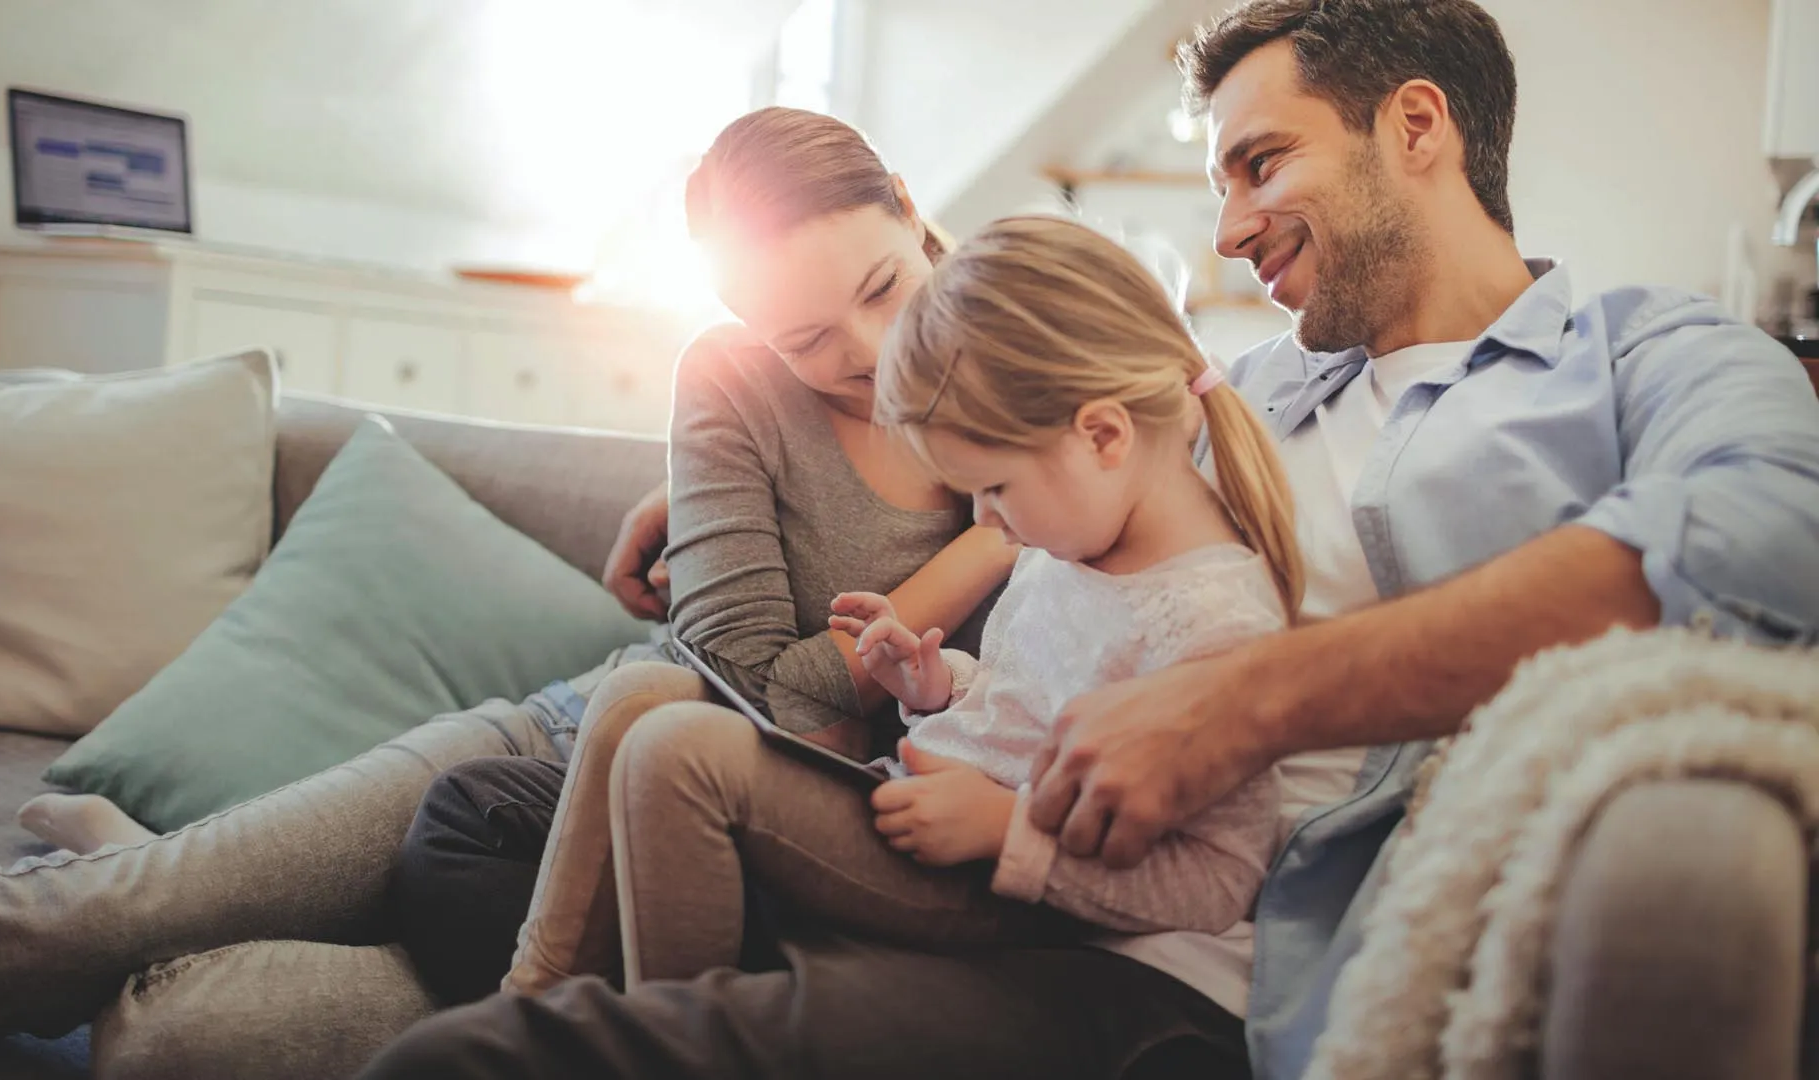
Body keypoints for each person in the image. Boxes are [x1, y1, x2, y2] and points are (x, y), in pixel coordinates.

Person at [358, 1, 1819, 1078]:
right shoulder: (1242, 392)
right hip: (987, 786)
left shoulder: (1643, 358)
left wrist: (1244, 701)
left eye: (1260, 165)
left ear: (1418, 127)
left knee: (483, 1052)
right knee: (476, 832)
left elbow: (1762, 541)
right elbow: (1027, 475)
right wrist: (720, 470)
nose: (1233, 229)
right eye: (1220, 188)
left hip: (1173, 946)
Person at [0, 107, 1013, 1077]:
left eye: (882, 288)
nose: (869, 352)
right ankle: (161, 871)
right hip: (552, 756)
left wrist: (989, 542)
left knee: (184, 1043)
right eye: (807, 338)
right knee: (121, 912)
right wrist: (976, 553)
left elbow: (824, 726)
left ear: (911, 210)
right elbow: (758, 690)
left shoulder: (1035, 379)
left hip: (726, 876)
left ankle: (172, 867)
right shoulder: (735, 378)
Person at [517, 216, 1297, 1009]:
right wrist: (937, 684)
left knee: (679, 756)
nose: (986, 525)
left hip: (994, 889)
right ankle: (576, 1017)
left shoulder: (1213, 625)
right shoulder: (1066, 546)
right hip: (916, 804)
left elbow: (1218, 879)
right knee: (587, 759)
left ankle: (649, 1040)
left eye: (994, 488)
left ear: (1101, 435)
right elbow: (1025, 701)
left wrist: (1008, 830)